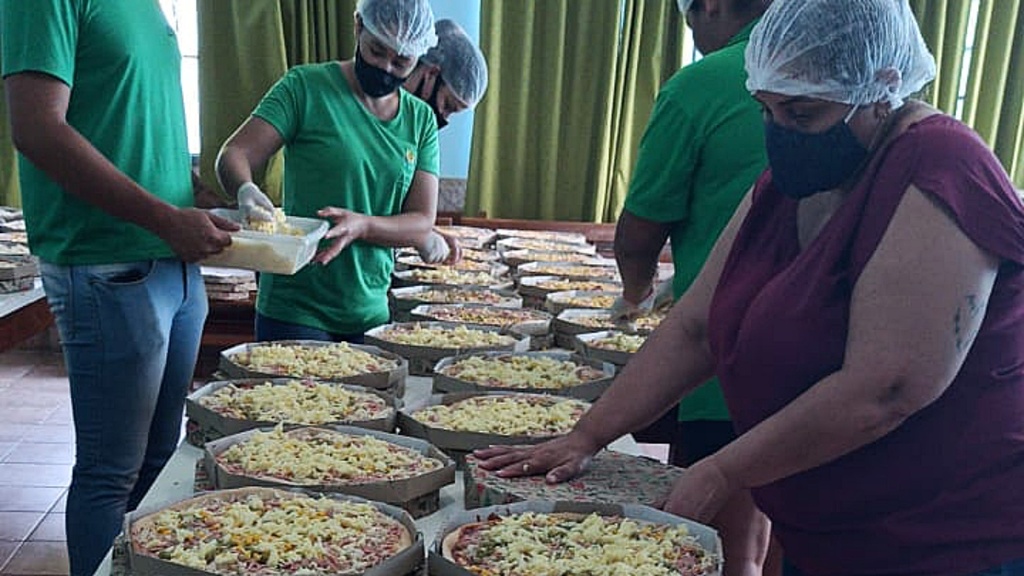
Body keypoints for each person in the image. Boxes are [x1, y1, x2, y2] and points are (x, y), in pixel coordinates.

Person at [477, 0, 1024, 574]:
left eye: (801, 113)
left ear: (881, 88)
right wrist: (588, 435)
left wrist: (722, 469)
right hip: (828, 528)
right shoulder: (793, 181)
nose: (779, 132)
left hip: (944, 541)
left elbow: (884, 388)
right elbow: (694, 328)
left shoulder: (942, 164)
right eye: (765, 110)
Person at [0, 1, 237, 574]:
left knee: (161, 458)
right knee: (110, 471)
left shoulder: (149, 10)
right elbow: (36, 128)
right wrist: (162, 216)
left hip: (170, 262)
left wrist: (193, 193)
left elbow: (129, 123)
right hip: (110, 265)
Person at [609, 0, 772, 574]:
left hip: (730, 371)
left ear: (710, 6)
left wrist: (634, 296)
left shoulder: (704, 84)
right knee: (763, 543)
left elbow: (637, 236)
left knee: (711, 549)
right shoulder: (821, 88)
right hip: (795, 370)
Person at [216, 0, 439, 343]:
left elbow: (422, 220)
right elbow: (234, 154)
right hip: (294, 307)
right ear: (358, 27)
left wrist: (363, 225)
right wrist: (245, 189)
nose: (385, 68)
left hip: (370, 310)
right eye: (377, 51)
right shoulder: (306, 87)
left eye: (401, 61)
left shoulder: (419, 120)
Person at [403, 17, 489, 263]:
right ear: (431, 73)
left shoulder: (418, 129)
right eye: (448, 105)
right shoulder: (377, 111)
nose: (445, 117)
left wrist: (426, 231)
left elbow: (390, 208)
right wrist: (418, 235)